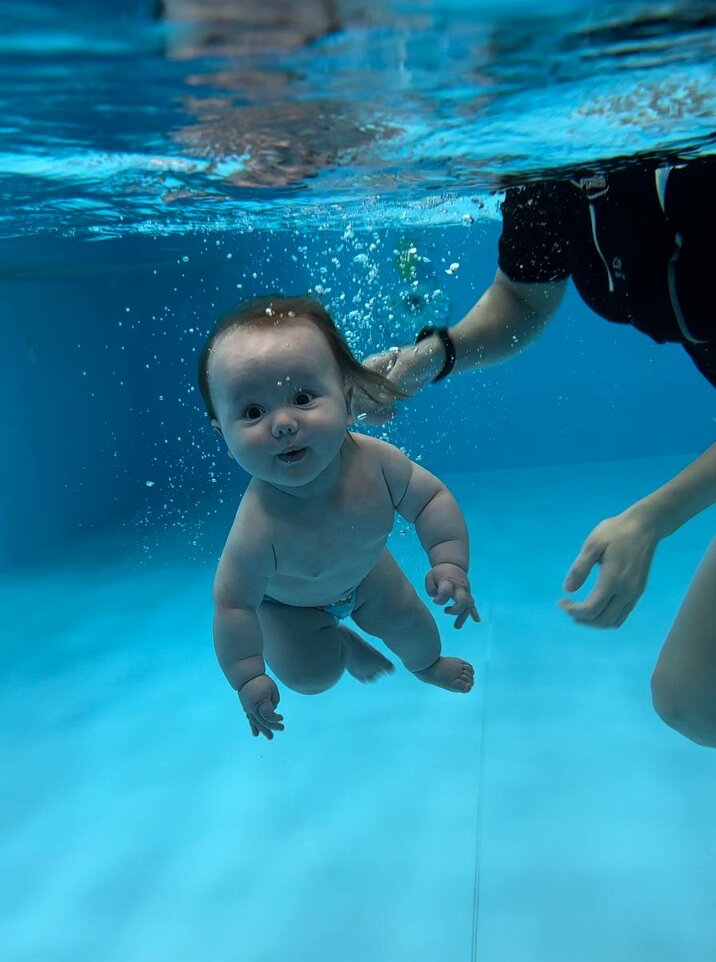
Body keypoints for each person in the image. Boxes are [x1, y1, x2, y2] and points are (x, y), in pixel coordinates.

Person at [358, 155, 716, 747]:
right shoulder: (552, 172)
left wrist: (651, 520)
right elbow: (523, 301)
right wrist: (434, 355)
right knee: (690, 698)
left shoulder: (698, 167)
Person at [197, 296, 479, 740]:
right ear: (224, 437)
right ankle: (343, 645)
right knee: (312, 678)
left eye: (303, 397)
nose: (283, 423)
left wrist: (448, 562)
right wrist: (248, 676)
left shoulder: (378, 464)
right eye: (253, 412)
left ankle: (426, 667)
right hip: (288, 608)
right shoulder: (257, 527)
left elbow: (430, 501)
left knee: (417, 631)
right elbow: (234, 605)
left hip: (369, 575)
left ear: (347, 402)